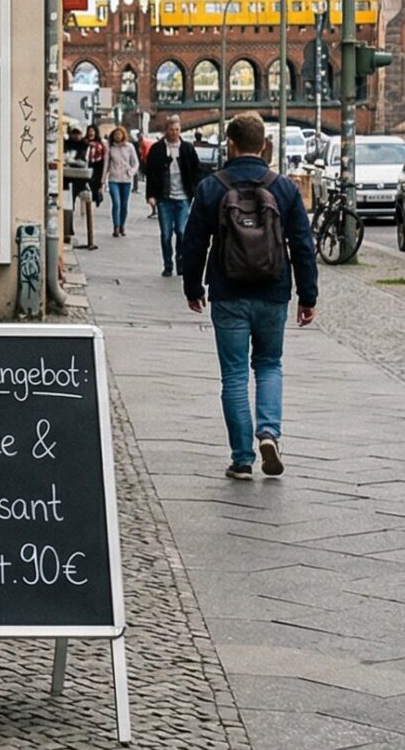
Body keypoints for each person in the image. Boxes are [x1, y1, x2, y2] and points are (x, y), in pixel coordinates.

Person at [179, 113, 317, 479]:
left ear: (231, 144)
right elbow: (303, 245)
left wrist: (192, 287)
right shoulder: (284, 188)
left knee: (234, 375)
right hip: (273, 291)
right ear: (264, 146)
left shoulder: (212, 187)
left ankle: (242, 459)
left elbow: (193, 243)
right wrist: (308, 296)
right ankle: (269, 432)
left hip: (228, 292)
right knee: (269, 364)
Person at [142, 116, 202, 278]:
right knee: (166, 234)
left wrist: (195, 190)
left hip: (183, 197)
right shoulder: (157, 149)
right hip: (164, 198)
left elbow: (197, 171)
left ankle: (180, 262)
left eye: (177, 130)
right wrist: (151, 195)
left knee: (181, 232)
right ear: (166, 130)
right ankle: (167, 265)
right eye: (171, 130)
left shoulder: (187, 148)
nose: (174, 133)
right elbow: (150, 173)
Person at [103, 124, 139, 237]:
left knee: (124, 205)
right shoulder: (110, 148)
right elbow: (106, 164)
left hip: (126, 180)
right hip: (113, 179)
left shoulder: (129, 147)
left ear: (123, 135)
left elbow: (136, 163)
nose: (118, 136)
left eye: (119, 134)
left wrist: (131, 172)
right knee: (116, 203)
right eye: (116, 134)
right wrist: (103, 179)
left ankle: (122, 225)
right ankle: (116, 226)